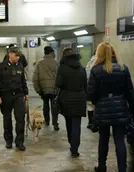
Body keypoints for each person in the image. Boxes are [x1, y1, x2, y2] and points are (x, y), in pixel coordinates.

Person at [87, 42, 133, 172]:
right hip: (120, 108)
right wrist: (132, 109)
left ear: (99, 54)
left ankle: (102, 166)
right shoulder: (123, 68)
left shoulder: (95, 70)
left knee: (103, 138)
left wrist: (98, 102)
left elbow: (91, 93)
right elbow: (130, 91)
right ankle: (122, 169)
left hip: (103, 108)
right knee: (119, 139)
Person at [0, 46, 29, 151]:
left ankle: (20, 142)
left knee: (20, 118)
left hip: (18, 95)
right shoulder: (0, 66)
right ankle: (8, 141)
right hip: (5, 95)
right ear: (10, 54)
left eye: (19, 56)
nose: (17, 57)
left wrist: (26, 93)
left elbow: (23, 81)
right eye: (16, 55)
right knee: (7, 119)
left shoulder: (20, 66)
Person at [56, 48, 87, 158]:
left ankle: (71, 143)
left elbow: (58, 84)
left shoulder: (62, 68)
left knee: (69, 123)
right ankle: (75, 148)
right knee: (76, 125)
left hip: (66, 98)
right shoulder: (82, 68)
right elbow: (85, 85)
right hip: (79, 98)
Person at [32, 46, 59, 130]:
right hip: (54, 89)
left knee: (45, 105)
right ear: (51, 53)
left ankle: (46, 121)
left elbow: (35, 79)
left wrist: (38, 90)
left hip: (44, 90)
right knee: (54, 106)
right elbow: (60, 77)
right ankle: (55, 123)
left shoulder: (40, 63)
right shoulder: (56, 63)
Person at [85, 48, 97, 130]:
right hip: (98, 88)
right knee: (97, 106)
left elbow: (87, 75)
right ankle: (96, 124)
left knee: (90, 106)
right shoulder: (100, 61)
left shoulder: (89, 62)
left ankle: (90, 123)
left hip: (89, 88)